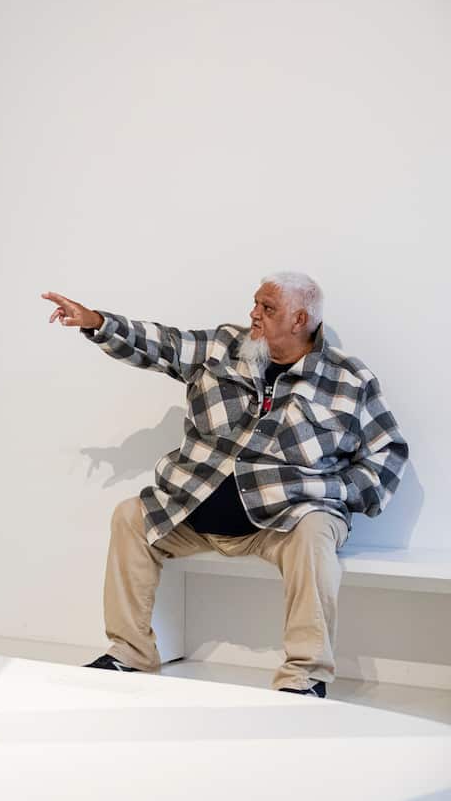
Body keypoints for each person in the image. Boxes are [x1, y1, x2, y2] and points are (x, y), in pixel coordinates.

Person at [42, 273, 408, 697]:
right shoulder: (222, 348)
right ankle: (130, 652)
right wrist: (97, 322)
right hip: (193, 513)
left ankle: (304, 677)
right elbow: (164, 344)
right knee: (130, 517)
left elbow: (387, 452)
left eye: (267, 308)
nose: (254, 314)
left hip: (282, 523)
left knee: (315, 530)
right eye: (255, 303)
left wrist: (334, 493)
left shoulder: (348, 379)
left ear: (300, 320)